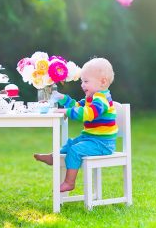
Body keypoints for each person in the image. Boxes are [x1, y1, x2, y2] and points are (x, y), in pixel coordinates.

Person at [34, 58, 118, 192]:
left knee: (75, 150)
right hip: (90, 138)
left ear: (102, 82)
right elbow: (77, 106)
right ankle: (53, 157)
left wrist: (67, 111)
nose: (82, 85)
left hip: (102, 144)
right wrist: (64, 99)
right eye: (81, 81)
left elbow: (88, 113)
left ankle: (69, 182)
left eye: (86, 81)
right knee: (70, 144)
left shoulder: (101, 99)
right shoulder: (91, 97)